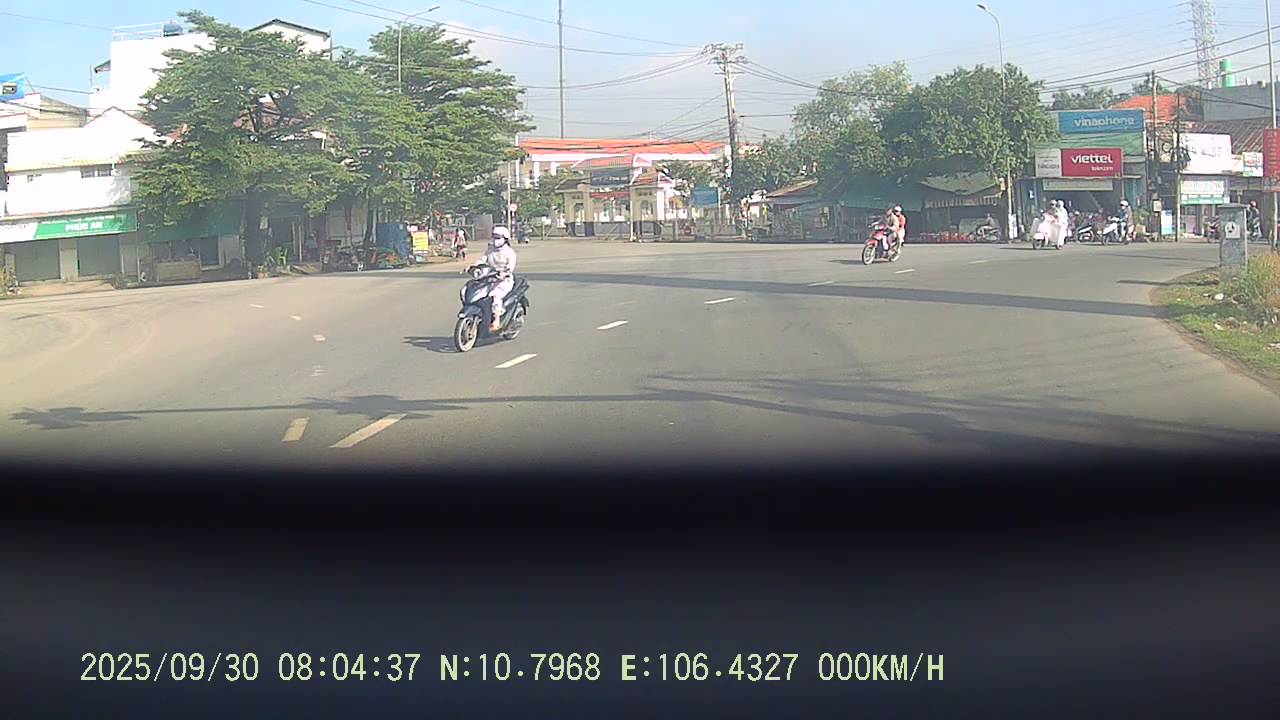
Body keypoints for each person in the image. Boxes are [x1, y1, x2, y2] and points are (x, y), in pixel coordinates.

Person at [483, 226, 518, 332]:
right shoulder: (490, 250)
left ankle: (496, 320)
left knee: (496, 296)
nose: (495, 240)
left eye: (498, 237)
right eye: (494, 237)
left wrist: (504, 273)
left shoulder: (510, 253)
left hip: (504, 281)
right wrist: (472, 267)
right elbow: (482, 260)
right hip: (489, 279)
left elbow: (510, 267)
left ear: (505, 238)